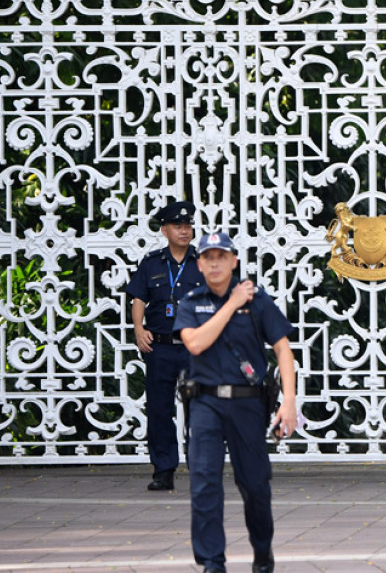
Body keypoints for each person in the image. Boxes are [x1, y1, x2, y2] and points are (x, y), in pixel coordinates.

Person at [175, 233, 297, 573]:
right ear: (199, 264)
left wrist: (289, 401)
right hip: (205, 404)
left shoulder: (257, 302)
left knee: (255, 485)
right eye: (208, 257)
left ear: (234, 262)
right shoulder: (191, 302)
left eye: (221, 256)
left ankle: (262, 551)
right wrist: (231, 304)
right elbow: (196, 344)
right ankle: (213, 562)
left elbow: (283, 349)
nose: (215, 263)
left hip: (247, 405)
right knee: (204, 482)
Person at [123, 200, 204, 491]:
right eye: (177, 226)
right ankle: (164, 470)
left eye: (188, 226)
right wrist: (138, 328)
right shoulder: (151, 263)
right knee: (159, 409)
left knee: (200, 407)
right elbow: (138, 299)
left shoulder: (203, 262)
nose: (184, 231)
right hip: (160, 347)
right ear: (164, 229)